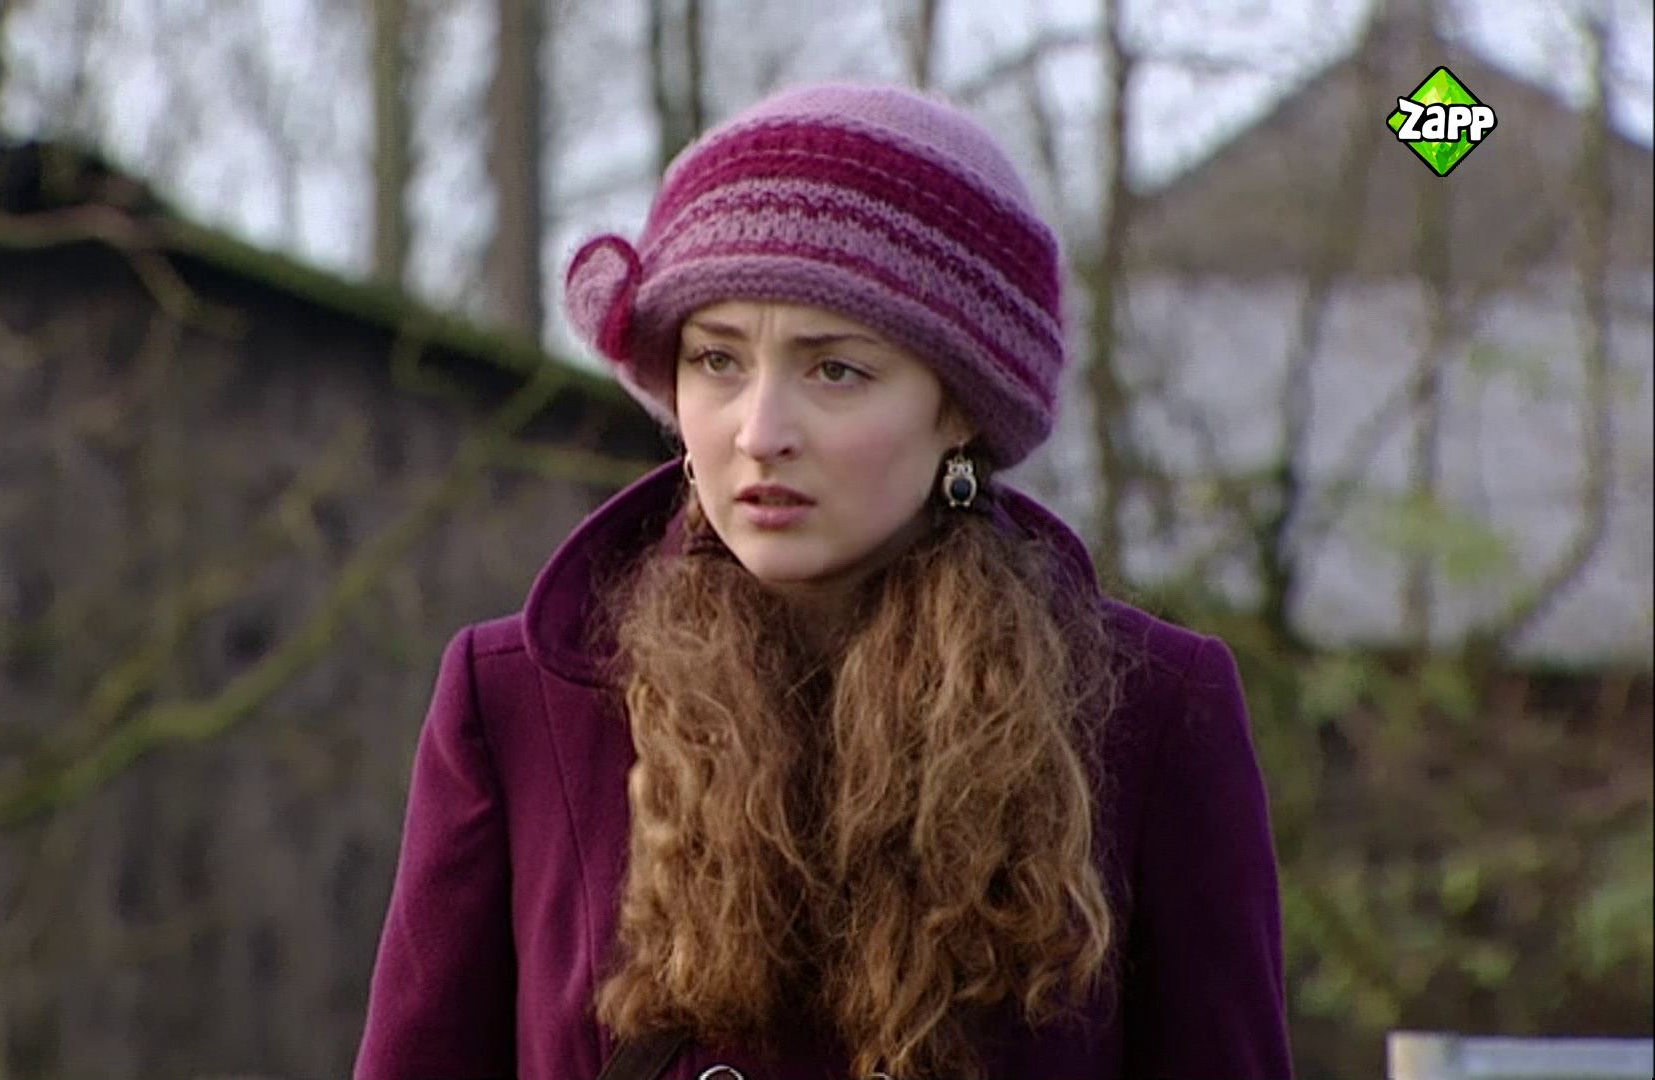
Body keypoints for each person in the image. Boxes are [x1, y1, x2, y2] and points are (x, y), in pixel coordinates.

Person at [352, 81, 1292, 1080]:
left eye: (835, 369)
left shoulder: (1147, 715)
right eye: (717, 361)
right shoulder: (519, 705)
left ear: (960, 407)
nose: (760, 433)